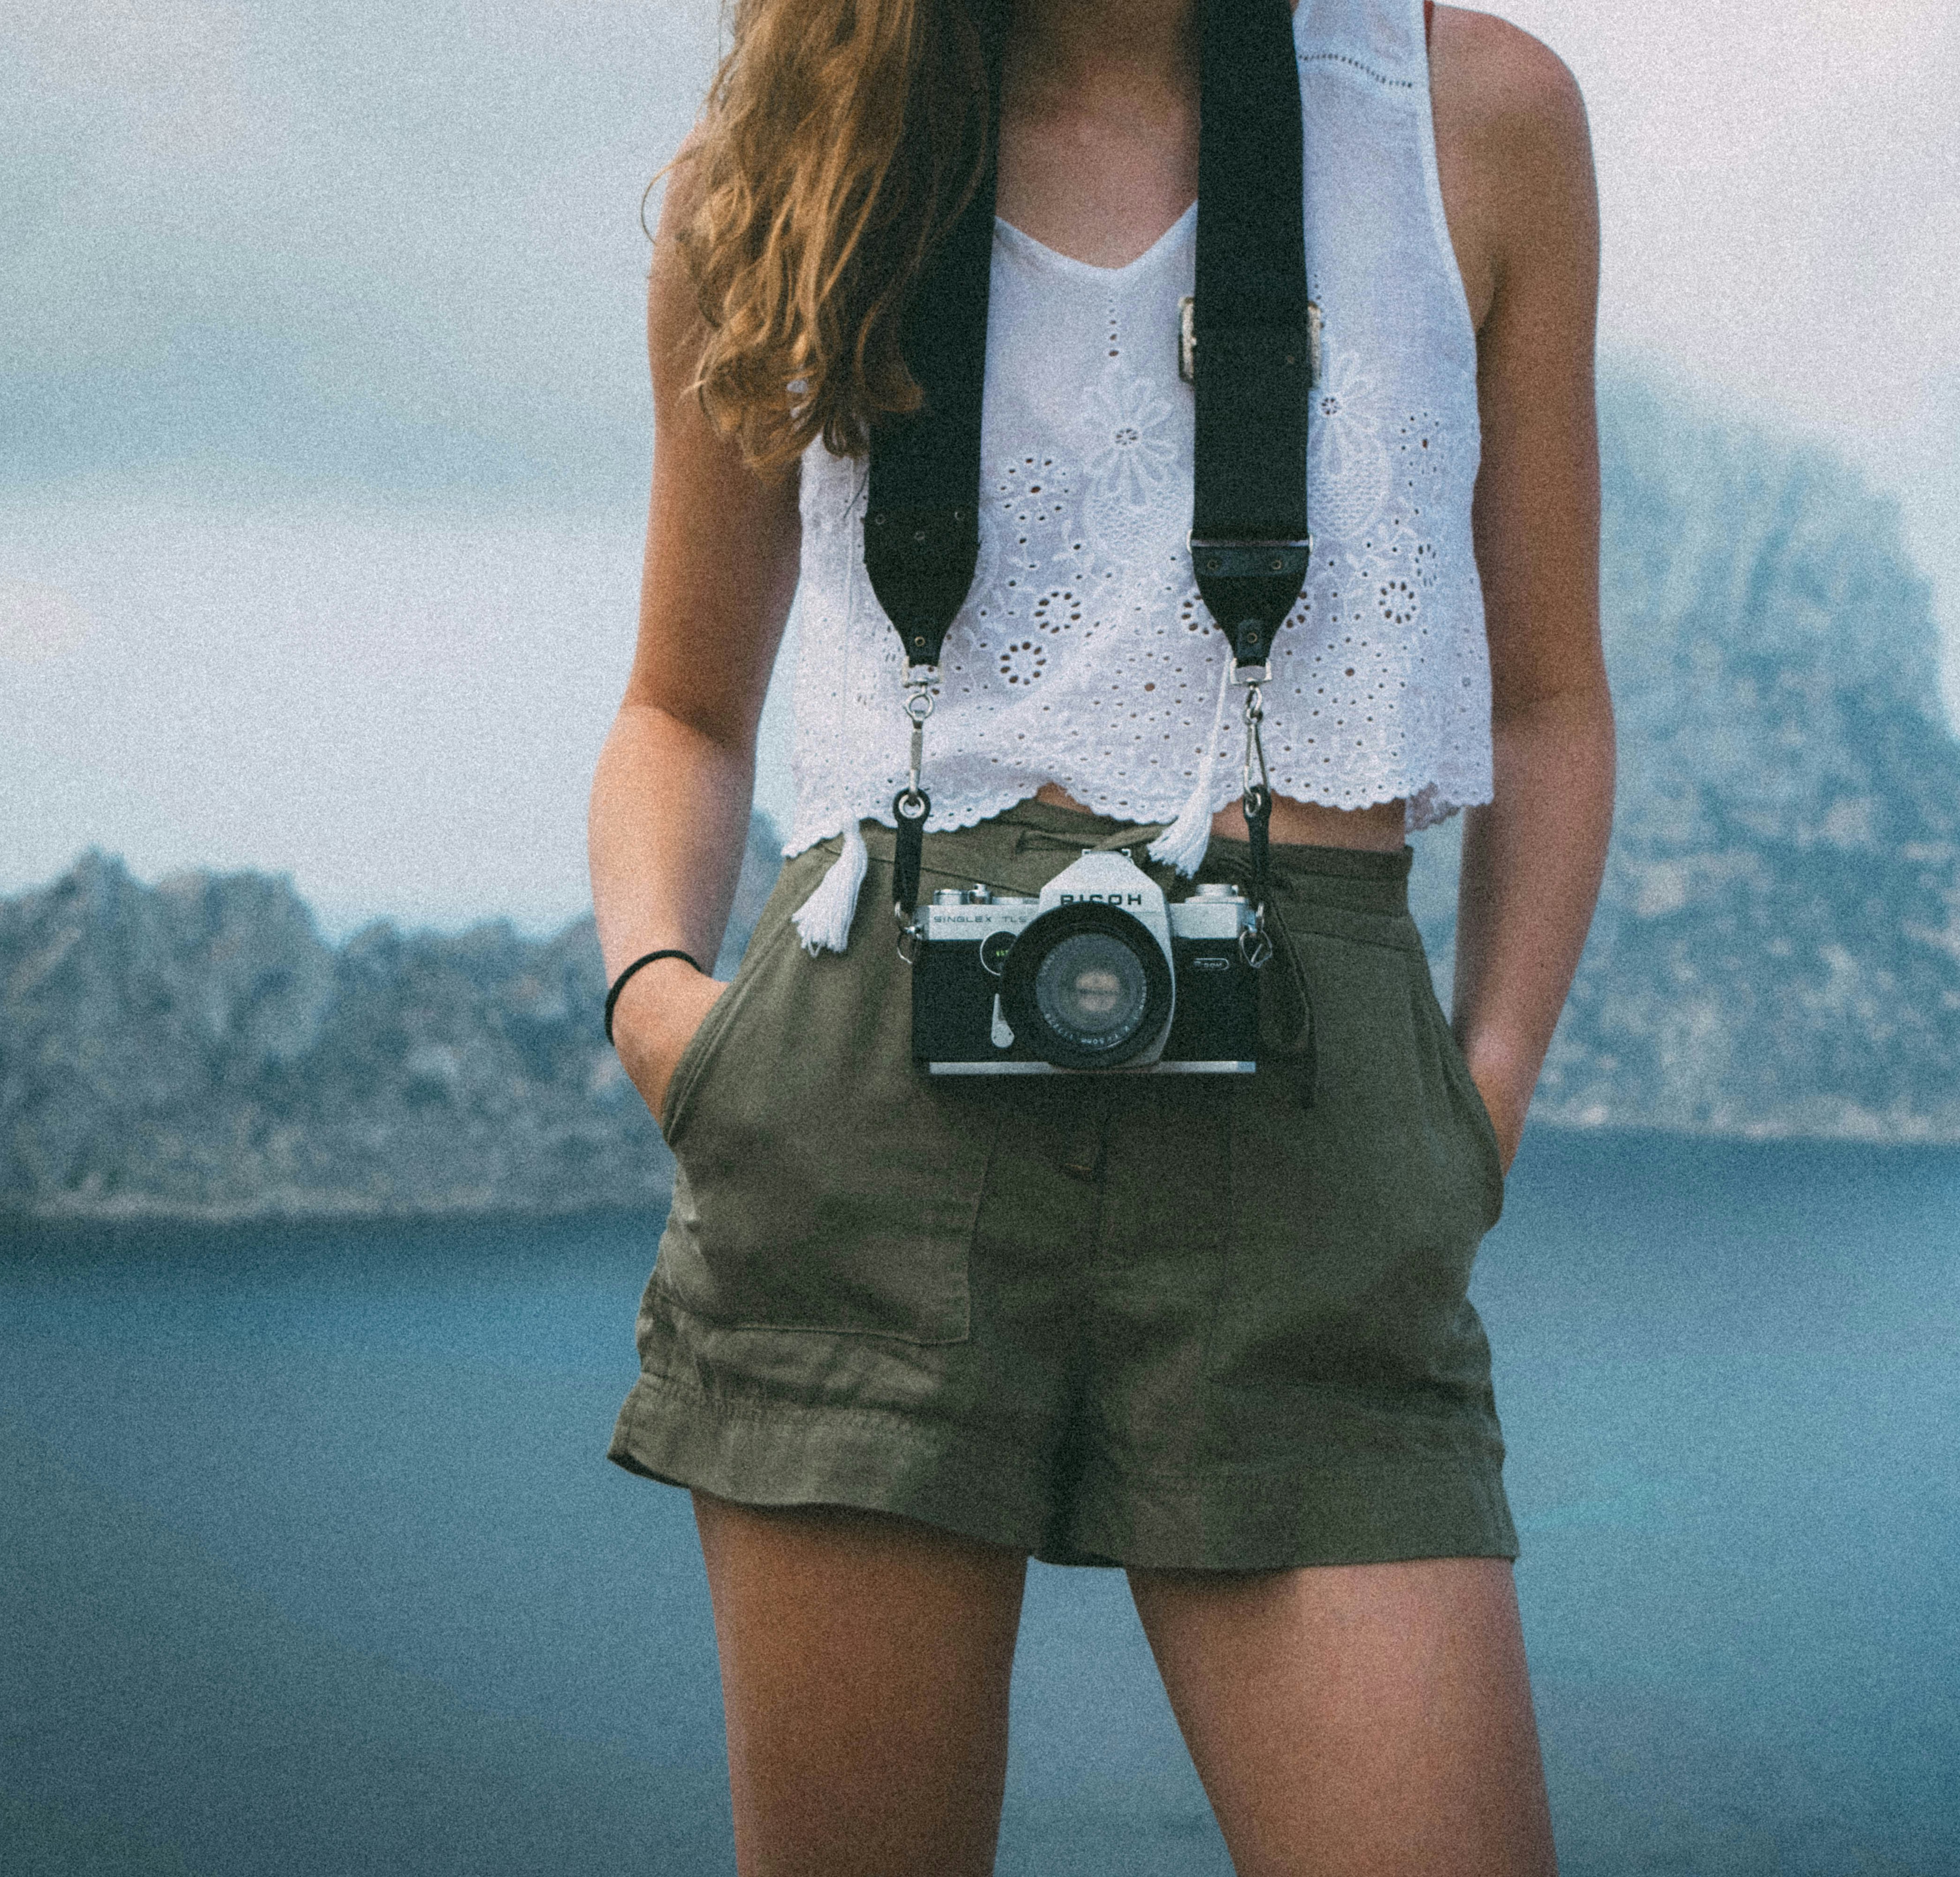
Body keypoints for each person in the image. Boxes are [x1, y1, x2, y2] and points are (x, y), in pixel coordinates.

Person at [586, 0, 1608, 1869]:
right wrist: (666, 1004)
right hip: (868, 1105)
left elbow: (1548, 694)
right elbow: (679, 707)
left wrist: (1486, 1085)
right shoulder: (796, 143)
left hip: (1310, 1132)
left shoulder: (1469, 115)